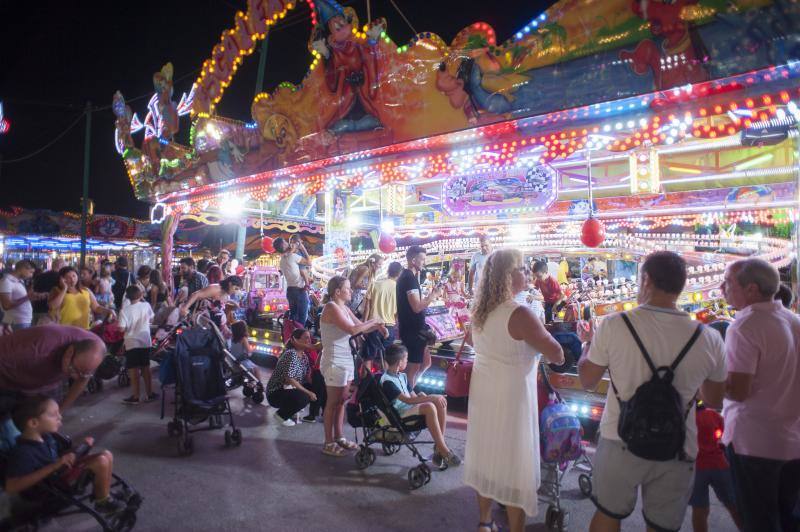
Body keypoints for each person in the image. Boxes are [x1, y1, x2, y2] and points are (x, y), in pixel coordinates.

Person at [577, 251, 727, 532]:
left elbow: (587, 379)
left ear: (645, 280)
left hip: (619, 437)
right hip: (678, 444)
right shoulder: (708, 337)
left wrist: (586, 345)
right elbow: (715, 399)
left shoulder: (613, 325)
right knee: (662, 526)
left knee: (608, 515)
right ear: (682, 286)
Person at [464, 249, 564, 532]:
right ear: (508, 277)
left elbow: (474, 343)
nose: (527, 273)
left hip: (485, 391)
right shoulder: (520, 314)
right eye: (521, 268)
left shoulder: (481, 312)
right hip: (512, 396)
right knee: (514, 464)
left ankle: (485, 522)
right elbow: (557, 354)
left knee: (487, 456)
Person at [720, 258, 800, 532]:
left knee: (758, 520)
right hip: (792, 440)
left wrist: (708, 379)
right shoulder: (793, 320)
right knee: (787, 517)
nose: (722, 288)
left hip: (754, 443)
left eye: (728, 283)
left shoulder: (744, 326)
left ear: (751, 289)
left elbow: (738, 391)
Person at [5, 396, 126, 515]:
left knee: (106, 454)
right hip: (50, 488)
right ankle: (102, 502)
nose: (60, 417)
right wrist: (53, 466)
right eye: (53, 415)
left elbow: (61, 455)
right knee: (101, 461)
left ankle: (103, 493)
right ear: (33, 422)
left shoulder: (47, 437)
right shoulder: (23, 452)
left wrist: (81, 447)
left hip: (59, 475)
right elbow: (11, 487)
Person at [319, 276, 386, 457]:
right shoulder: (331, 307)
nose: (351, 291)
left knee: (342, 401)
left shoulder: (344, 308)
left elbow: (360, 327)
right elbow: (353, 330)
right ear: (337, 292)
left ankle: (339, 436)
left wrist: (378, 326)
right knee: (332, 403)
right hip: (334, 361)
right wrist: (374, 321)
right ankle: (328, 442)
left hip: (346, 360)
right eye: (348, 288)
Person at [381, 344, 461, 468]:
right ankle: (444, 450)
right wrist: (429, 398)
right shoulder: (387, 381)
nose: (407, 361)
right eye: (406, 359)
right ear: (399, 362)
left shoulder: (402, 376)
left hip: (409, 408)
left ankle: (439, 446)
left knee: (440, 402)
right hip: (400, 414)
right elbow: (407, 401)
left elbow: (412, 397)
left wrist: (422, 397)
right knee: (429, 406)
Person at [0, 325, 105, 410]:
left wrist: (60, 411)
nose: (76, 377)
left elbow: (82, 379)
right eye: (74, 370)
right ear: (69, 352)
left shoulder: (94, 350)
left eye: (83, 373)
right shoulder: (37, 350)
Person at [690, 400, 743, 532]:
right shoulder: (713, 416)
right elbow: (723, 436)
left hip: (695, 468)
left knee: (699, 509)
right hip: (719, 464)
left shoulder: (685, 419)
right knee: (733, 505)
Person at [396, 246, 442, 389]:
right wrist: (433, 296)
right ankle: (408, 397)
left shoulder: (409, 277)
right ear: (413, 260)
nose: (424, 262)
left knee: (426, 363)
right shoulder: (409, 278)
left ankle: (411, 390)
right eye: (422, 259)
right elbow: (416, 307)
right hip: (413, 331)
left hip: (416, 329)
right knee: (413, 368)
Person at [267, 328, 320, 426]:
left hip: (288, 389)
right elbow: (289, 379)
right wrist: (309, 393)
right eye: (306, 338)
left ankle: (293, 410)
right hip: (275, 393)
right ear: (295, 340)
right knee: (304, 396)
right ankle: (281, 415)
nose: (309, 341)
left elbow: (307, 377)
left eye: (309, 338)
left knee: (315, 388)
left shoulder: (303, 356)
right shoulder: (291, 354)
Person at [117, 285, 156, 405]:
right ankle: (149, 394)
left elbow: (121, 329)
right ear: (140, 295)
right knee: (146, 367)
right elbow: (152, 320)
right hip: (145, 341)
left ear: (127, 297)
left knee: (133, 370)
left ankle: (136, 396)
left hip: (131, 342)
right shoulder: (146, 305)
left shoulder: (124, 311)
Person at [49, 267, 114, 329]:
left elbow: (96, 307)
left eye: (74, 276)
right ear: (62, 279)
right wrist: (64, 289)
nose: (72, 279)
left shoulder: (86, 290)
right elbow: (52, 306)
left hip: (83, 329)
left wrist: (108, 311)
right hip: (64, 330)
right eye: (68, 277)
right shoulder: (57, 290)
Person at [365, 260, 402, 350]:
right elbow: (398, 311)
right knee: (387, 358)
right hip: (389, 325)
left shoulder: (374, 284)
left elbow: (367, 307)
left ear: (388, 270)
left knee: (369, 357)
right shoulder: (399, 288)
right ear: (399, 273)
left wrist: (364, 324)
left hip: (373, 325)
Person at [275, 237, 311, 326]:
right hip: (299, 290)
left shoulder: (282, 260)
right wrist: (303, 248)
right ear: (283, 245)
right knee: (302, 319)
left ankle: (291, 337)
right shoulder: (292, 256)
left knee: (293, 318)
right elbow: (309, 262)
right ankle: (300, 337)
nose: (288, 243)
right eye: (285, 242)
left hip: (290, 291)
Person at [0, 260, 37, 331]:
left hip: (23, 321)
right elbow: (6, 305)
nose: (31, 275)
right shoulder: (6, 281)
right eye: (30, 272)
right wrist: (27, 297)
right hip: (15, 321)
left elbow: (21, 299)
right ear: (22, 269)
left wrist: (30, 297)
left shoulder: (19, 281)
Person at [348, 253, 383, 318]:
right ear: (373, 263)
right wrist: (369, 288)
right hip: (353, 296)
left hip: (355, 296)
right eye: (379, 264)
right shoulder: (366, 269)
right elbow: (356, 284)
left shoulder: (367, 269)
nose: (380, 266)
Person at [32, 258, 65, 324]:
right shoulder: (61, 279)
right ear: (61, 266)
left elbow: (33, 290)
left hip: (36, 308)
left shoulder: (40, 276)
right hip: (50, 311)